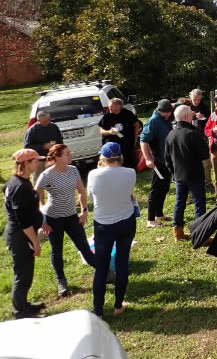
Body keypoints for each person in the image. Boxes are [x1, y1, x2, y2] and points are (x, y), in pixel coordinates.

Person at [35, 144, 96, 297]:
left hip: (71, 216)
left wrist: (84, 211)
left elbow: (81, 191)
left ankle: (104, 272)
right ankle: (61, 282)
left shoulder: (73, 170)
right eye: (67, 153)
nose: (70, 155)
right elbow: (35, 195)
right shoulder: (47, 175)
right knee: (57, 250)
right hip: (53, 218)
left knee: (84, 247)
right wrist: (42, 215)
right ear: (57, 157)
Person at [87, 142, 137, 318]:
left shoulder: (93, 174)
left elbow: (92, 198)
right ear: (120, 156)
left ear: (103, 158)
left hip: (103, 224)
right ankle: (118, 305)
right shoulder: (130, 172)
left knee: (101, 268)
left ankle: (98, 311)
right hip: (126, 221)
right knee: (122, 263)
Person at [4, 149, 47, 319]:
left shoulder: (17, 181)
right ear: (26, 163)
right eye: (36, 160)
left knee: (26, 273)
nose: (39, 163)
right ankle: (20, 312)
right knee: (23, 274)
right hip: (21, 236)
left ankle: (24, 304)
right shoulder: (20, 187)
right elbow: (23, 221)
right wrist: (35, 242)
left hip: (21, 234)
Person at [165, 105, 210, 241]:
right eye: (191, 114)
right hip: (195, 174)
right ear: (186, 116)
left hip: (179, 175)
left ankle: (177, 232)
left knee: (180, 203)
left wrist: (174, 173)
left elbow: (167, 159)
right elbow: (204, 155)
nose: (193, 116)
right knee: (199, 204)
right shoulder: (193, 134)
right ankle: (200, 235)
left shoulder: (170, 134)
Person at [140, 99, 174, 227]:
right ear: (160, 111)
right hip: (158, 160)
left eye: (170, 112)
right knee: (156, 189)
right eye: (166, 113)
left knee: (165, 187)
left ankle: (159, 214)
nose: (169, 115)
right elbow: (143, 141)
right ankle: (150, 220)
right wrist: (148, 158)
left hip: (167, 160)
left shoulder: (167, 117)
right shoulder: (153, 121)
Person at [98, 98, 138, 169]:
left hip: (127, 144)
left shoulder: (128, 114)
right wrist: (109, 132)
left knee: (129, 165)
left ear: (119, 106)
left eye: (112, 106)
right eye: (109, 106)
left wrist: (135, 140)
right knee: (113, 165)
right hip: (112, 147)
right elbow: (101, 131)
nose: (109, 108)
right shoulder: (107, 116)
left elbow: (136, 125)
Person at [24, 111, 63, 182]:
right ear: (38, 121)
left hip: (52, 159)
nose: (48, 122)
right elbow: (27, 147)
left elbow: (60, 141)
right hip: (38, 161)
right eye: (45, 121)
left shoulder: (54, 127)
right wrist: (43, 146)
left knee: (55, 181)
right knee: (39, 181)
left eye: (49, 120)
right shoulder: (32, 130)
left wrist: (58, 151)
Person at [189, 88, 213, 192]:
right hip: (189, 135)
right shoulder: (187, 106)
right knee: (192, 159)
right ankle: (194, 180)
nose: (196, 101)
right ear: (190, 97)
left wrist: (203, 116)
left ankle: (207, 182)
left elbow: (209, 119)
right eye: (194, 99)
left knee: (205, 159)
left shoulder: (204, 107)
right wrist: (190, 115)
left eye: (198, 99)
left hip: (201, 135)